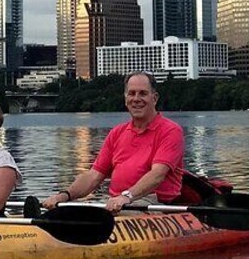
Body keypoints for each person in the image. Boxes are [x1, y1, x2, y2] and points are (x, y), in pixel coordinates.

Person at [43, 71, 184, 214]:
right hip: (118, 202)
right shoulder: (117, 133)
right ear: (125, 98)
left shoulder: (170, 131)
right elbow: (93, 176)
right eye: (132, 93)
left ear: (154, 98)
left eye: (143, 93)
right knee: (65, 214)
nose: (136, 99)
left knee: (113, 216)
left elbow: (157, 174)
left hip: (155, 205)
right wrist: (64, 195)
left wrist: (127, 196)